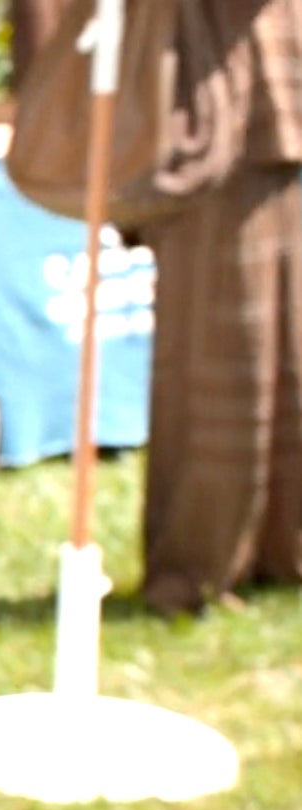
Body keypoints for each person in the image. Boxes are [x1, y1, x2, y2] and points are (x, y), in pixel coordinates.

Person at [136, 0, 302, 613]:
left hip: (280, 106)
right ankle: (199, 563)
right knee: (222, 367)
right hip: (213, 127)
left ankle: (281, 548)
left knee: (290, 362)